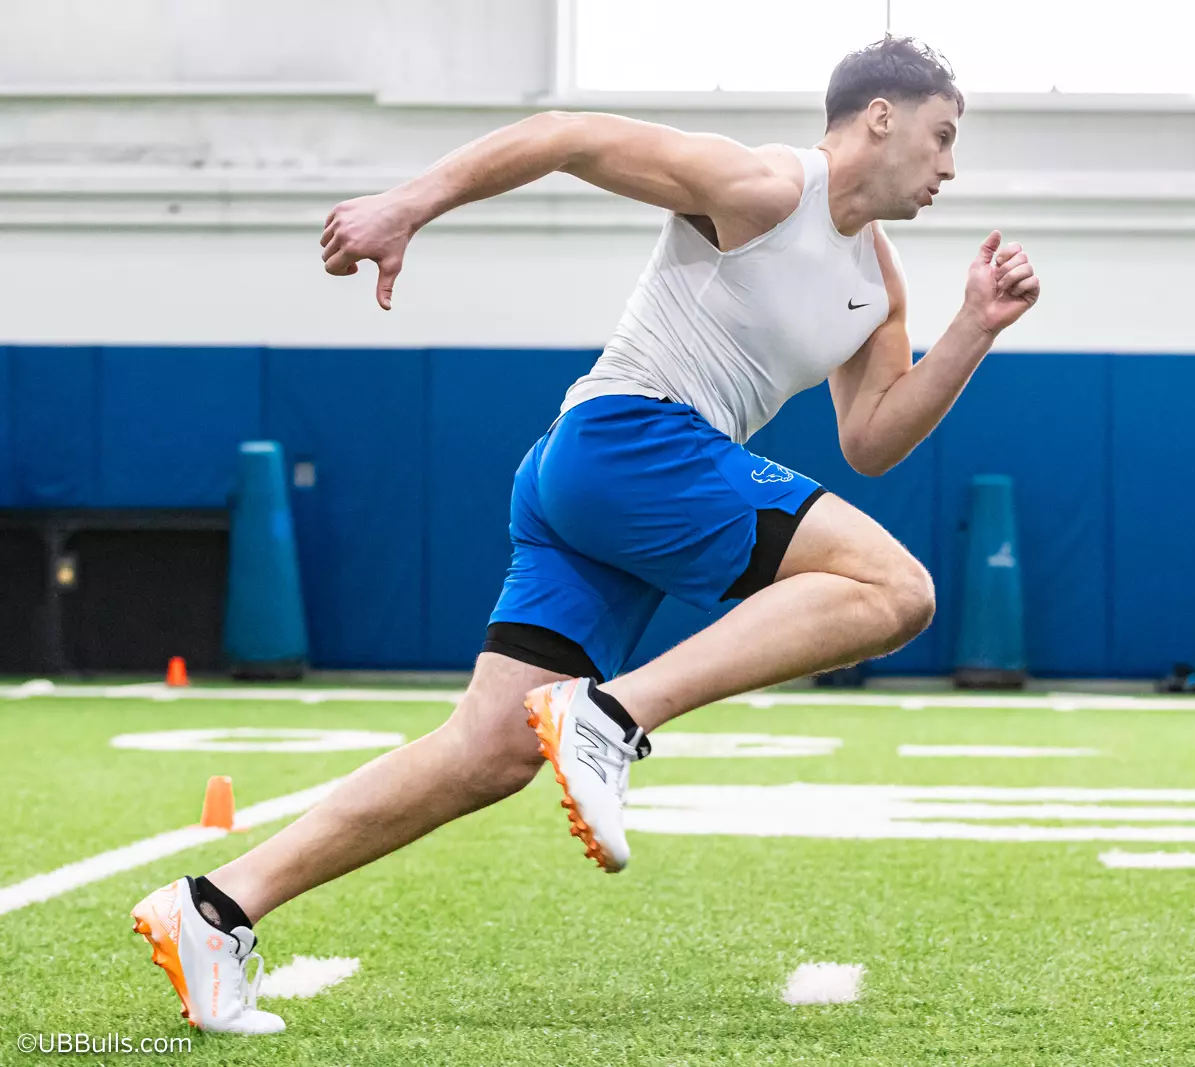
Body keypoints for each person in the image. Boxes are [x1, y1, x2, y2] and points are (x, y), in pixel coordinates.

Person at [128, 36, 1041, 1034]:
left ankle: (215, 907)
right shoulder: (766, 186)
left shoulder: (878, 279)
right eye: (942, 136)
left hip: (604, 489)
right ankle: (615, 717)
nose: (951, 166)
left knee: (486, 750)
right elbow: (568, 135)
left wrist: (972, 329)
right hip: (632, 438)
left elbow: (870, 438)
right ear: (880, 117)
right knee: (895, 590)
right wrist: (406, 205)